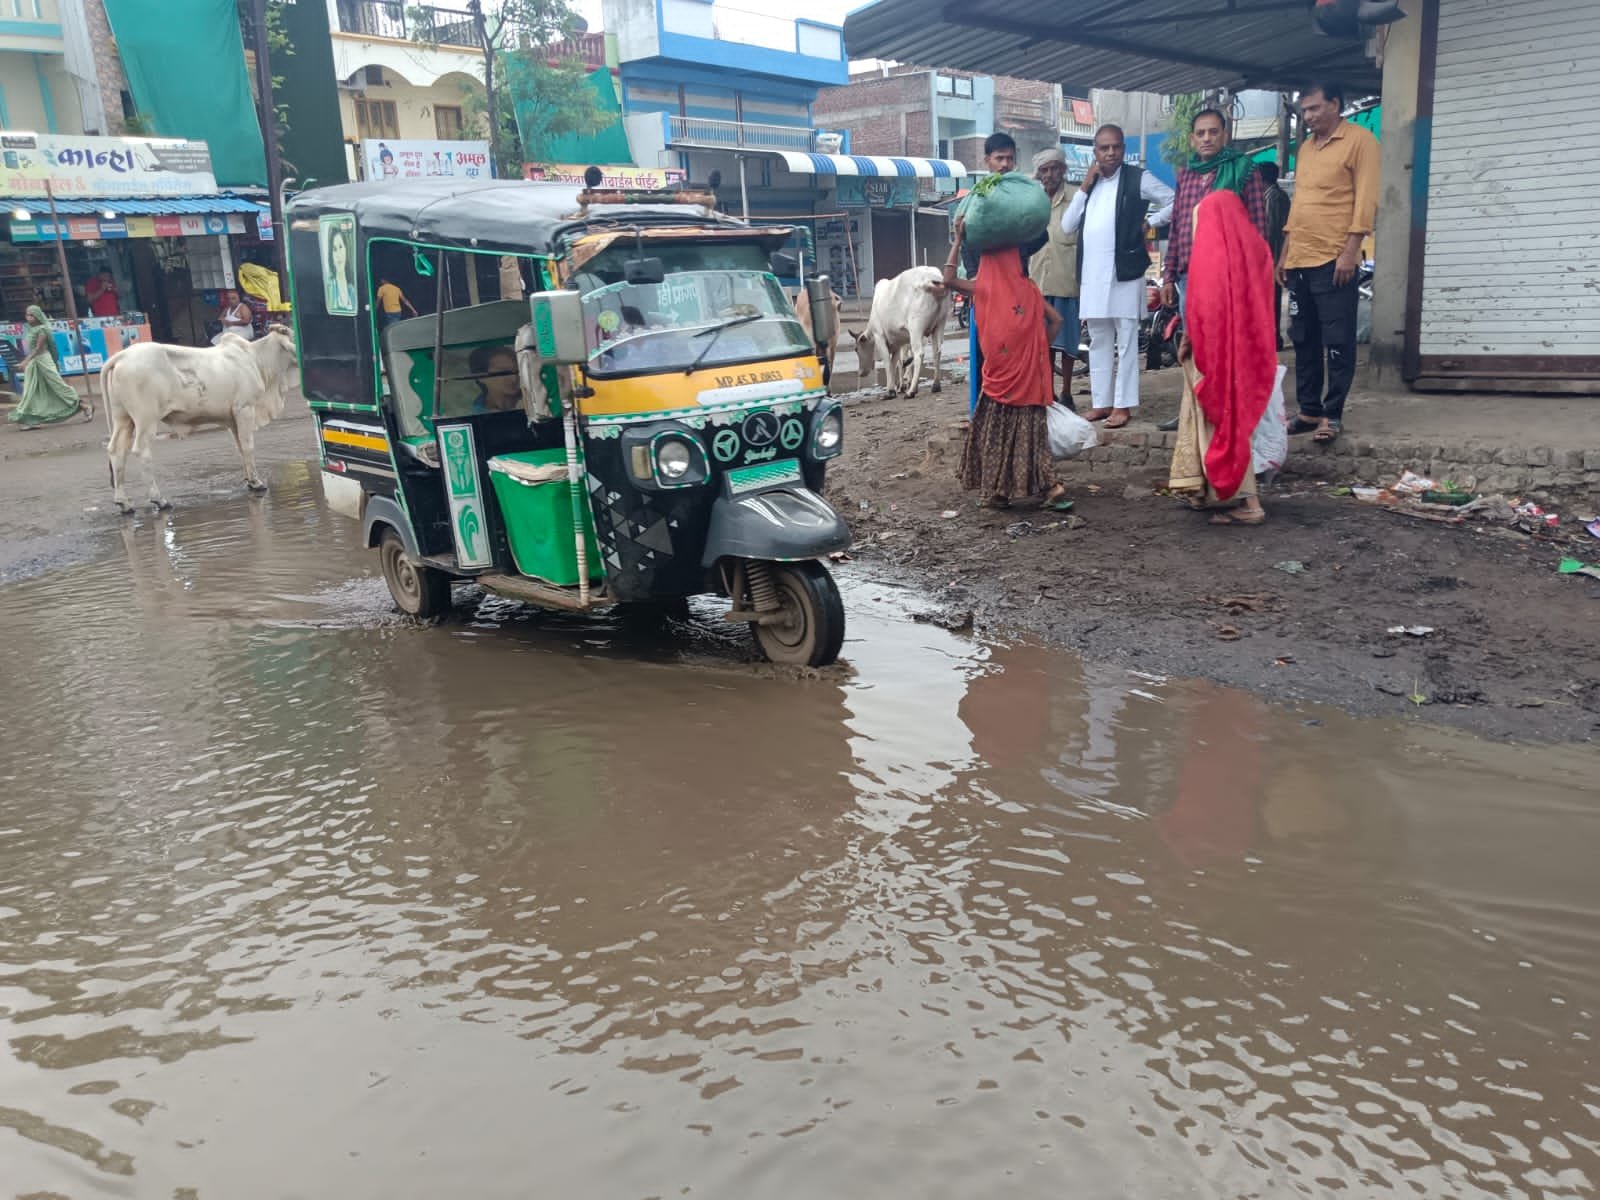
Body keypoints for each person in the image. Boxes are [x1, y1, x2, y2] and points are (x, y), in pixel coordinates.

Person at [943, 217, 1071, 512]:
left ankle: (1002, 491)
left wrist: (958, 240)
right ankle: (1048, 487)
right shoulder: (1029, 289)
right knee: (1031, 439)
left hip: (999, 380)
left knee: (996, 437)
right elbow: (1057, 320)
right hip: (1029, 378)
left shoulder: (983, 287)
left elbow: (947, 280)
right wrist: (1038, 347)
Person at [1278, 81, 1379, 446]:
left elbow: (1366, 200)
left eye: (1315, 108)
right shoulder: (1306, 148)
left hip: (1335, 258)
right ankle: (1308, 410)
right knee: (1303, 338)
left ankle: (1331, 414)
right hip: (1301, 257)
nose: (1308, 117)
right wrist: (1286, 251)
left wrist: (1351, 251)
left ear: (1336, 104)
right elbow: (1300, 204)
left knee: (1337, 340)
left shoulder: (1360, 141)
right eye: (1304, 110)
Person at [1167, 190, 1276, 526]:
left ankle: (1250, 504)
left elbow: (1207, 308)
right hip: (1245, 354)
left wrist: (1190, 339)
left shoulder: (1212, 258)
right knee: (1230, 421)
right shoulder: (1253, 251)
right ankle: (1202, 490)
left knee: (1222, 423)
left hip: (1215, 355)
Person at [1062, 123, 1175, 429]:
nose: (1111, 153)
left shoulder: (1138, 178)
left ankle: (1123, 405)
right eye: (1104, 148)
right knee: (1099, 340)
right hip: (1092, 276)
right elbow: (1067, 226)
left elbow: (1174, 200)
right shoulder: (1090, 185)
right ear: (1095, 152)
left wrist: (1150, 222)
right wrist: (1084, 186)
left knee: (1126, 340)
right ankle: (1102, 403)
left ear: (1123, 149)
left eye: (1116, 147)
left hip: (1124, 272)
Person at [962, 132, 1049, 416]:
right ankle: (983, 414)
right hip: (987, 293)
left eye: (1010, 159)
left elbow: (1041, 236)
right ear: (987, 160)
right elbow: (965, 240)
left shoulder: (1022, 195)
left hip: (1017, 289)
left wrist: (1015, 248)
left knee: (1019, 351)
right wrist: (974, 277)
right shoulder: (978, 197)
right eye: (999, 158)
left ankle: (1022, 412)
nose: (1005, 164)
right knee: (987, 355)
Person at [1160, 109, 1269, 317]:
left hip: (1230, 276)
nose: (1207, 138)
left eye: (1213, 132)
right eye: (1200, 133)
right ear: (1192, 139)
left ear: (1224, 135)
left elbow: (1258, 229)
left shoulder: (1243, 170)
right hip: (1189, 276)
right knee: (1194, 336)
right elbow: (1177, 228)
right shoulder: (1186, 175)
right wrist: (1168, 278)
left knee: (1227, 336)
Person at [1028, 146, 1082, 409]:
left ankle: (1067, 391)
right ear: (1038, 173)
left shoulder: (1077, 197)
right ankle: (1048, 392)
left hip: (1067, 281)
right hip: (1038, 283)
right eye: (1044, 170)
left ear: (1063, 170)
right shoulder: (1032, 200)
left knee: (1069, 344)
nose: (1050, 174)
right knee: (1045, 343)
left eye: (1054, 168)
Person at [8, 305, 88, 429]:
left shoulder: (43, 329)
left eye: (31, 315)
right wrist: (28, 362)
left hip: (44, 361)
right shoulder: (30, 329)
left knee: (58, 386)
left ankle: (84, 406)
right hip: (34, 363)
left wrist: (25, 362)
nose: (28, 317)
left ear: (37, 316)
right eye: (27, 315)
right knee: (31, 389)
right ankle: (29, 419)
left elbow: (38, 349)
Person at [1259, 161, 1291, 348]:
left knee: (1270, 298)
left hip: (1273, 255)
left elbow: (1270, 230)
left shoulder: (1272, 197)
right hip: (1277, 254)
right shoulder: (1279, 195)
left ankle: (1272, 338)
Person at [469, 345, 522, 413]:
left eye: (517, 371)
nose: (514, 378)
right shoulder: (479, 415)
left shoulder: (530, 395)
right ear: (481, 377)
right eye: (504, 373)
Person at [324, 223, 356, 315]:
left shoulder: (352, 289)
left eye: (341, 247)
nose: (338, 254)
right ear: (331, 255)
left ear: (346, 249)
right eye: (334, 249)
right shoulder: (330, 286)